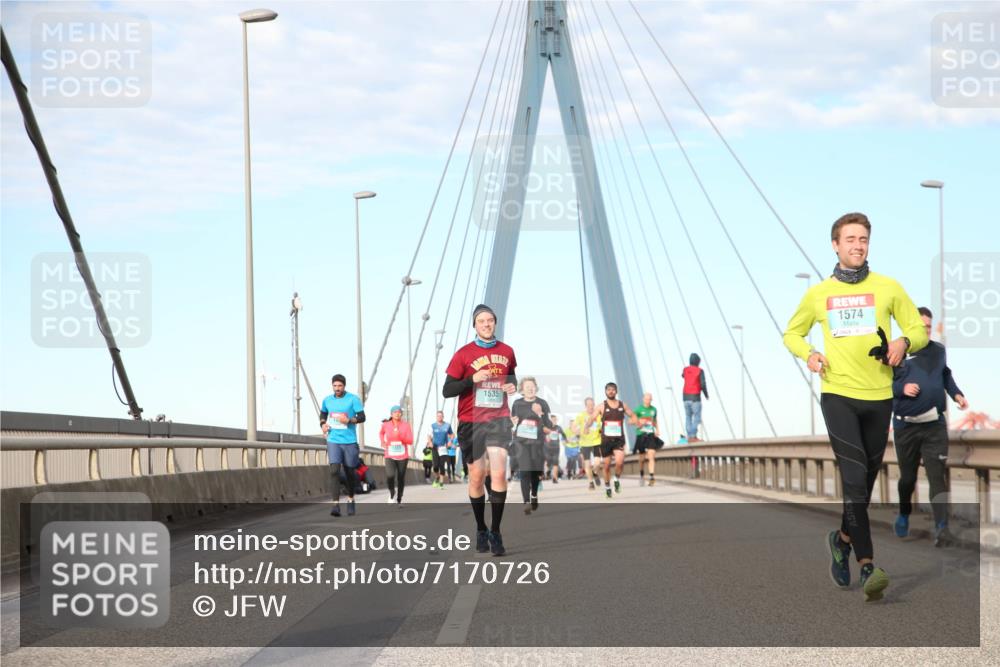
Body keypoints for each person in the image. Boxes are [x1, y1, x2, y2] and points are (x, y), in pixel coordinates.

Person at [784, 211, 927, 602]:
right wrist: (810, 354)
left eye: (863, 239)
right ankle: (868, 567)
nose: (857, 245)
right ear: (835, 245)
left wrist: (903, 344)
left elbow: (915, 328)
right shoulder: (819, 294)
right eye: (850, 239)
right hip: (838, 394)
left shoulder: (889, 287)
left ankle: (841, 539)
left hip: (880, 397)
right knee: (853, 479)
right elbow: (792, 333)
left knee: (863, 484)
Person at [442, 304, 517, 556]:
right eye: (481, 321)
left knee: (498, 474)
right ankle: (480, 527)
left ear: (495, 323)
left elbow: (512, 376)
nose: (486, 324)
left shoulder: (507, 351)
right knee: (476, 476)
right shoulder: (463, 354)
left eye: (490, 320)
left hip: (498, 419)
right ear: (475, 325)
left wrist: (511, 386)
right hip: (471, 422)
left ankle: (495, 531)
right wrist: (470, 380)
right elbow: (447, 390)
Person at [892, 307, 968, 547]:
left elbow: (945, 375)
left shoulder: (938, 351)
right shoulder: (895, 352)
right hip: (906, 428)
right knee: (907, 478)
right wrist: (900, 389)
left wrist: (956, 394)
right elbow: (881, 386)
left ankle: (941, 528)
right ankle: (904, 513)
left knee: (937, 478)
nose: (926, 330)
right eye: (921, 326)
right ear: (910, 327)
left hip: (934, 424)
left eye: (928, 326)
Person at [320, 374, 366, 517]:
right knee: (334, 471)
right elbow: (322, 414)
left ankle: (351, 499)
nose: (337, 388)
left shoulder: (353, 399)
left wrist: (349, 420)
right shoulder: (327, 400)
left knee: (349, 472)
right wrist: (323, 425)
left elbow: (362, 417)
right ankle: (335, 505)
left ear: (344, 386)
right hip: (333, 440)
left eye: (340, 386)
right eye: (335, 386)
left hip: (349, 441)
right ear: (332, 386)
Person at [588, 382, 638, 499]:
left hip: (619, 439)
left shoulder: (622, 405)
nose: (611, 391)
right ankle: (607, 487)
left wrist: (634, 420)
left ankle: (616, 479)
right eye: (609, 390)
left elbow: (633, 415)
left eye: (613, 390)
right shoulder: (601, 406)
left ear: (616, 391)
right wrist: (586, 427)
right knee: (606, 466)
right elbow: (592, 418)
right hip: (605, 440)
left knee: (620, 462)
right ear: (605, 392)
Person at [510, 377, 553, 514]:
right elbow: (513, 423)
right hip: (521, 442)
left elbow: (549, 427)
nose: (530, 388)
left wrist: (539, 414)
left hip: (538, 443)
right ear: (521, 389)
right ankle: (526, 502)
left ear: (536, 387)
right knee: (525, 471)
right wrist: (513, 422)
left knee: (535, 473)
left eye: (532, 386)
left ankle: (534, 495)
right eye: (527, 386)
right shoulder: (517, 404)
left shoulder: (542, 403)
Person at [379, 405, 413, 505]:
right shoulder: (386, 424)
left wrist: (401, 438)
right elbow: (381, 433)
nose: (397, 414)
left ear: (401, 414)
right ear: (391, 414)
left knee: (401, 477)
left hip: (402, 455)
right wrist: (382, 442)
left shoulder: (406, 425)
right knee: (390, 475)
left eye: (399, 412)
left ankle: (399, 498)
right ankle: (391, 492)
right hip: (390, 454)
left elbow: (410, 441)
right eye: (395, 412)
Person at [571, 397, 603, 490]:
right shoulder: (581, 415)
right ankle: (591, 482)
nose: (591, 407)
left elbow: (603, 426)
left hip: (596, 441)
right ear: (586, 406)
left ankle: (595, 473)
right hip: (585, 443)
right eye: (589, 405)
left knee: (597, 463)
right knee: (587, 464)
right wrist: (577, 432)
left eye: (592, 405)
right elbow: (573, 427)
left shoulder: (598, 415)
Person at [633, 392, 663, 486]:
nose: (648, 401)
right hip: (641, 434)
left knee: (651, 455)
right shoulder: (638, 409)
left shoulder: (654, 409)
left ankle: (652, 477)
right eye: (646, 399)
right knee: (642, 458)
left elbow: (654, 420)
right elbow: (633, 420)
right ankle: (642, 475)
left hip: (650, 434)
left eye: (650, 399)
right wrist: (638, 423)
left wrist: (657, 430)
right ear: (643, 399)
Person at [682, 354, 709, 442]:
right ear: (698, 362)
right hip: (695, 397)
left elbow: (683, 375)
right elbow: (703, 384)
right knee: (697, 417)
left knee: (688, 416)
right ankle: (693, 436)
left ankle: (690, 436)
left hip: (685, 397)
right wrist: (706, 394)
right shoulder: (699, 371)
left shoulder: (685, 370)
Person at [429, 411, 453, 489]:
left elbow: (452, 434)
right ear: (436, 417)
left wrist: (450, 441)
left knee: (442, 465)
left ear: (443, 417)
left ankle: (441, 483)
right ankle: (437, 477)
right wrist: (430, 442)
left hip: (443, 448)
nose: (439, 417)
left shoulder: (447, 425)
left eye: (441, 416)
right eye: (438, 416)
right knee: (435, 466)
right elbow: (429, 435)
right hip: (435, 447)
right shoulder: (432, 426)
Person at [545, 414, 568, 483]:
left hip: (556, 448)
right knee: (548, 462)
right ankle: (547, 472)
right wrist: (546, 437)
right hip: (547, 448)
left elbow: (564, 435)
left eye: (555, 420)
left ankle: (555, 478)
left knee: (555, 463)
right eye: (552, 420)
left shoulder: (558, 428)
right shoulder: (546, 428)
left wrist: (565, 440)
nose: (554, 421)